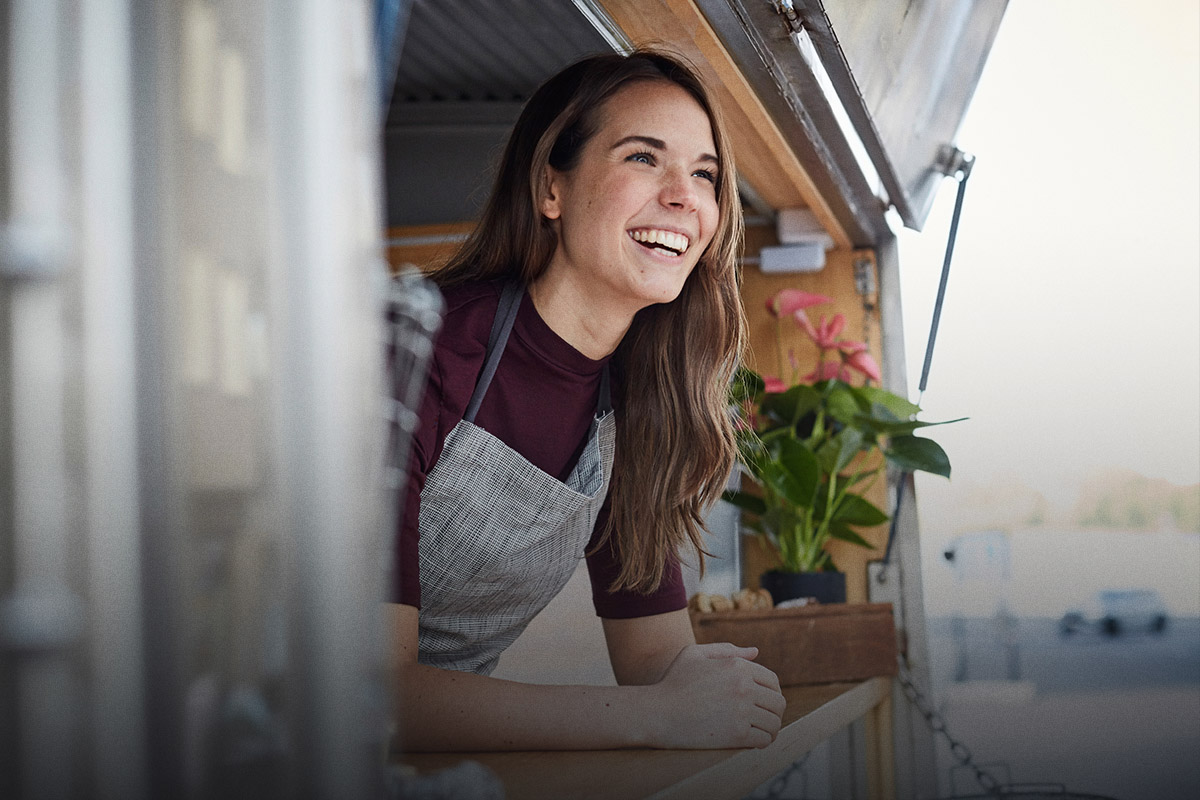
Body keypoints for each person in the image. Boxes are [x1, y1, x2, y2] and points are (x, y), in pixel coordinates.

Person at [387, 48, 785, 752]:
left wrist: (723, 684)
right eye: (642, 158)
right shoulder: (415, 349)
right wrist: (660, 716)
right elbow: (370, 693)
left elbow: (656, 660)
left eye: (705, 174)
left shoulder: (639, 410)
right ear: (551, 189)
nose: (683, 196)